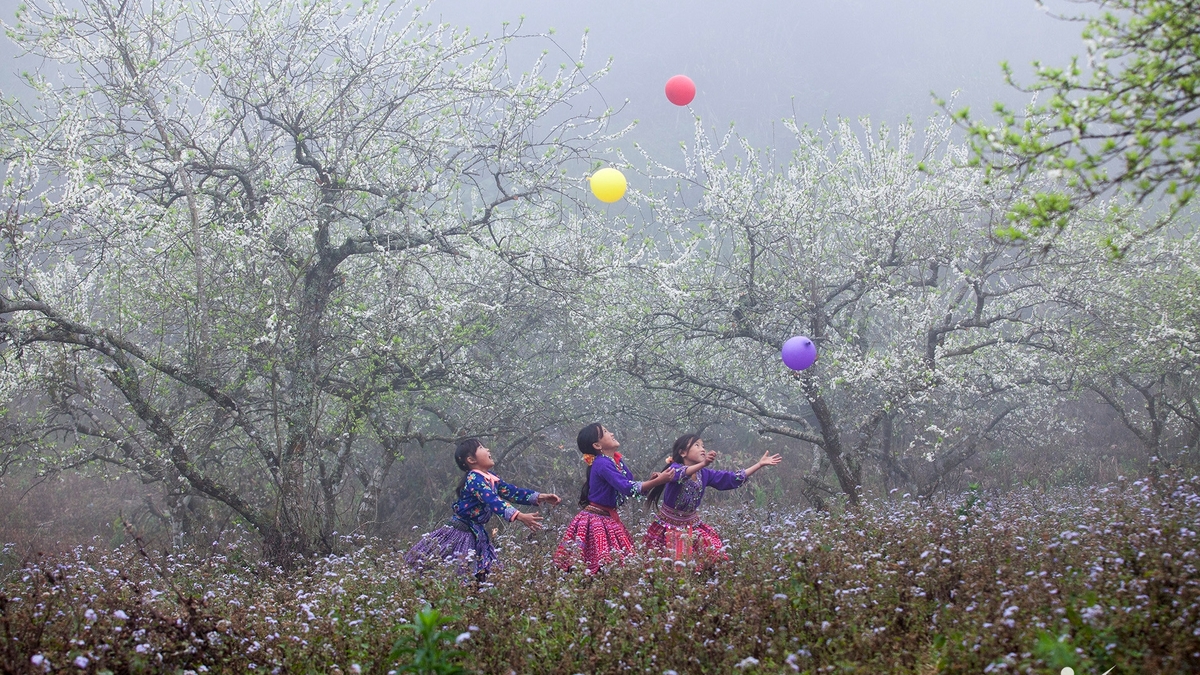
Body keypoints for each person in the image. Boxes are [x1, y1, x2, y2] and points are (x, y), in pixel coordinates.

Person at [405, 438, 560, 581]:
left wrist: (541, 497)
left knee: (480, 575)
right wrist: (519, 516)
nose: (488, 450)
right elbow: (493, 501)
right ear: (471, 459)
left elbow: (512, 492)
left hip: (476, 534)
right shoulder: (474, 479)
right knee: (457, 575)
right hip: (460, 533)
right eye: (481, 447)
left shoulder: (490, 478)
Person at [643, 434, 782, 566]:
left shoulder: (704, 473)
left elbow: (731, 479)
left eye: (703, 445)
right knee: (673, 567)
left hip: (693, 525)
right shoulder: (674, 469)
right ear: (683, 452)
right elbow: (681, 473)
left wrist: (759, 464)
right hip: (669, 528)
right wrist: (703, 463)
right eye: (697, 445)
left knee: (716, 557)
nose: (702, 449)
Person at [553, 423, 674, 574]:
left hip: (607, 518)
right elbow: (627, 488)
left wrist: (650, 482)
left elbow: (629, 485)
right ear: (597, 445)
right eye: (605, 432)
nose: (611, 433)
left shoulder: (616, 461)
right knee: (602, 566)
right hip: (597, 520)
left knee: (612, 564)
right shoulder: (602, 463)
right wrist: (657, 482)